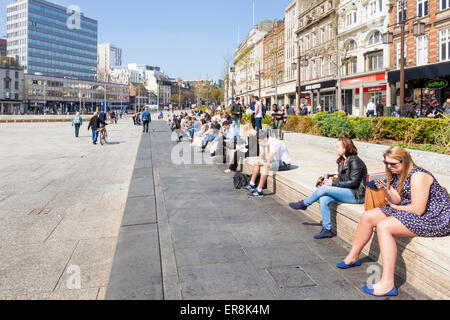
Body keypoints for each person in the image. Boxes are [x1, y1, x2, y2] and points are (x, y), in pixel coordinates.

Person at [338, 147, 450, 297]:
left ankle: (387, 283)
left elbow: (418, 210)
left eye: (393, 164)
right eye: (387, 163)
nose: (389, 167)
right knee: (368, 216)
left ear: (405, 161)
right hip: (408, 207)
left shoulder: (418, 175)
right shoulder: (397, 173)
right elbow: (397, 199)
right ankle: (353, 257)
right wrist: (386, 190)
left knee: (384, 226)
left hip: (435, 217)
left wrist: (395, 207)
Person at [289, 138, 368, 239]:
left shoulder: (355, 161)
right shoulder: (342, 161)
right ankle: (327, 229)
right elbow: (343, 178)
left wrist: (333, 183)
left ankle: (304, 203)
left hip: (357, 194)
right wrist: (331, 177)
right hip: (347, 192)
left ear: (345, 148)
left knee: (325, 188)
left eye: (337, 147)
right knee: (324, 199)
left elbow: (354, 182)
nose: (335, 149)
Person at [245, 130, 292, 198]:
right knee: (257, 162)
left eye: (259, 141)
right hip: (275, 161)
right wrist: (263, 148)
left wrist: (266, 147)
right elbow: (261, 157)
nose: (258, 143)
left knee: (266, 166)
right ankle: (252, 184)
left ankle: (259, 190)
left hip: (284, 163)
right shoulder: (264, 142)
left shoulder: (275, 143)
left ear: (265, 139)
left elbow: (269, 160)